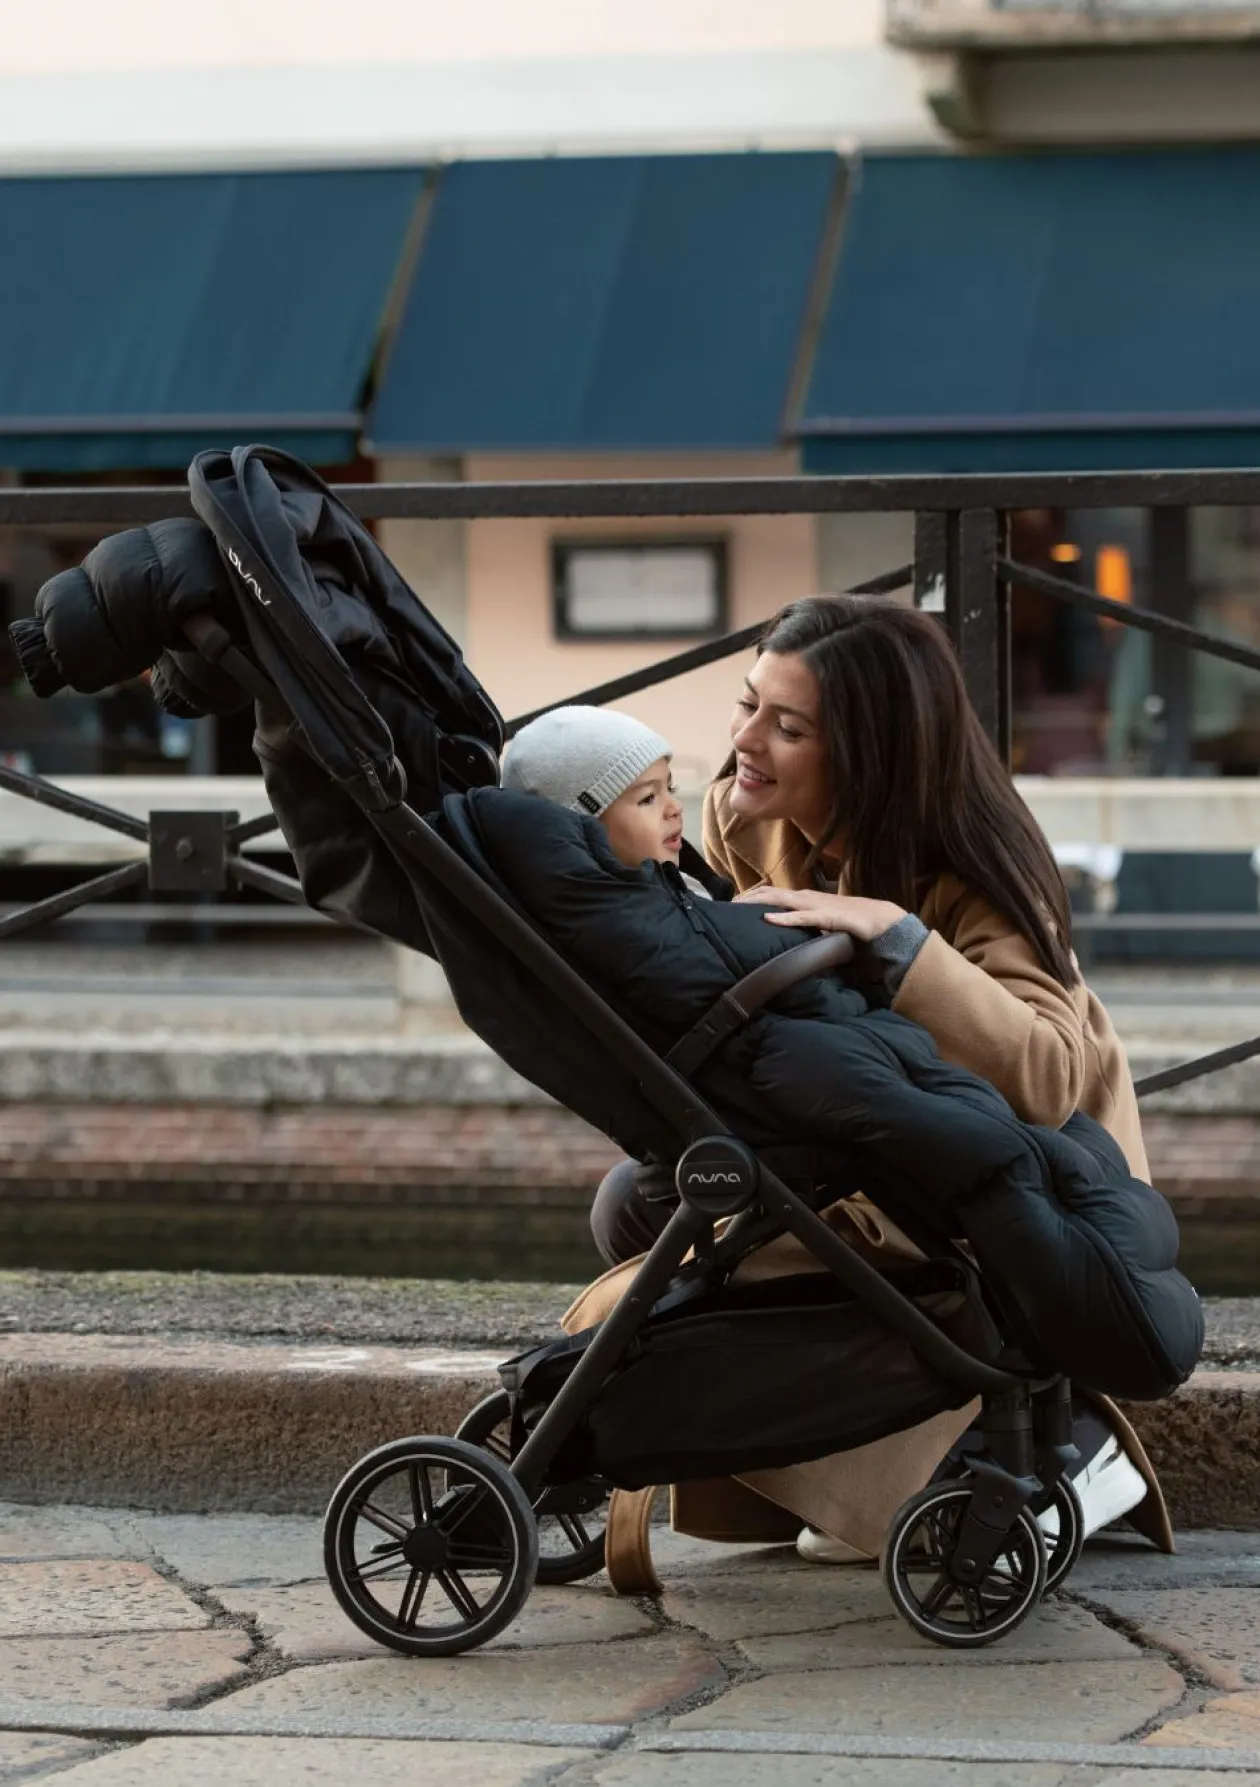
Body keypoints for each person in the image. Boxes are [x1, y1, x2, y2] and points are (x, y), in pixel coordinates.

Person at [588, 593, 1164, 1565]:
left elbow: (1054, 1074)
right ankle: (836, 1458)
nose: (745, 742)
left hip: (1033, 1168)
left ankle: (1027, 1450)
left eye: (789, 724)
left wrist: (899, 940)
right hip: (880, 1126)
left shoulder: (979, 864)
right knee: (641, 1203)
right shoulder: (743, 817)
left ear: (868, 752)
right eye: (747, 704)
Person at [500, 704, 712, 893]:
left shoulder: (682, 885)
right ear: (582, 830)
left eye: (670, 787)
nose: (676, 807)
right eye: (648, 798)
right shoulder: (622, 922)